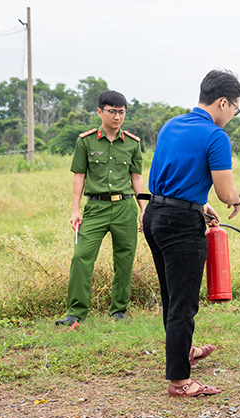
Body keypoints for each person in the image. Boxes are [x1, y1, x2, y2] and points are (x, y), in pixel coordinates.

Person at [142, 69, 240, 398]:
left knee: (172, 296)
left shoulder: (171, 124)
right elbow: (226, 192)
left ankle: (182, 353)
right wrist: (236, 199)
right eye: (236, 108)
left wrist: (200, 203)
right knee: (184, 303)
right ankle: (180, 382)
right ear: (223, 102)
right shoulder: (216, 136)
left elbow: (173, 175)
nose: (234, 114)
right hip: (180, 225)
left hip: (155, 215)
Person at [55, 91, 146, 326]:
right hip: (96, 207)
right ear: (100, 112)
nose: (117, 117)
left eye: (121, 112)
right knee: (81, 257)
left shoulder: (133, 143)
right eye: (112, 111)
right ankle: (75, 312)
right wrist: (75, 210)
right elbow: (79, 175)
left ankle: (119, 311)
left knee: (124, 259)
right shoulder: (86, 141)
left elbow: (136, 178)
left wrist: (144, 210)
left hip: (125, 207)